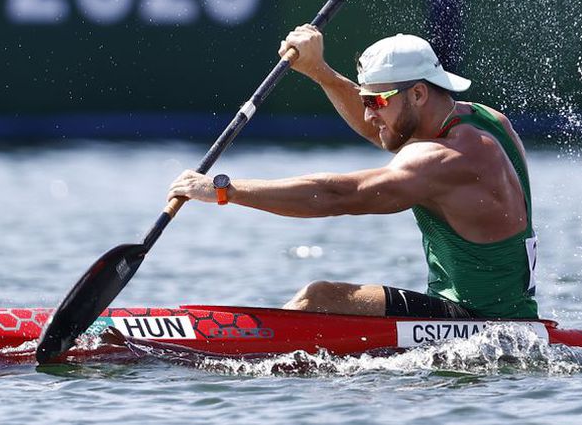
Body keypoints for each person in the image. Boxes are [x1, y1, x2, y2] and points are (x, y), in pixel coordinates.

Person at [168, 25, 538, 319]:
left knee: (319, 299)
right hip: (500, 317)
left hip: (480, 325)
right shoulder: (487, 121)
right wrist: (320, 72)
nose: (367, 115)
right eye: (364, 101)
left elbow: (339, 195)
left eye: (375, 102)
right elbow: (386, 131)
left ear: (419, 94)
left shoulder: (444, 160)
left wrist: (224, 190)